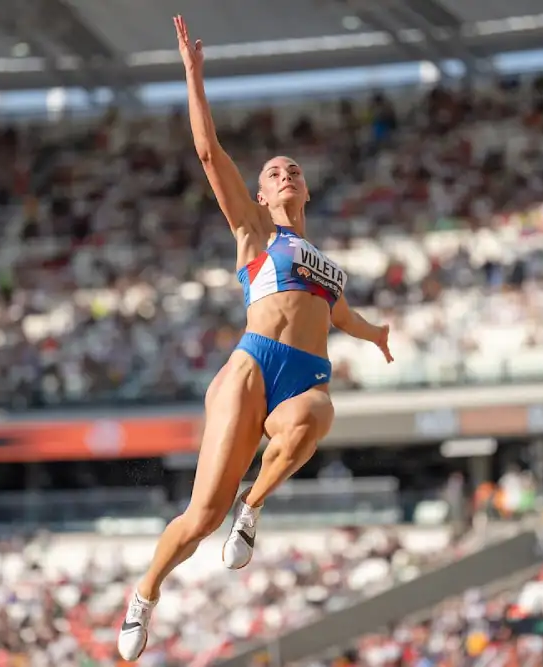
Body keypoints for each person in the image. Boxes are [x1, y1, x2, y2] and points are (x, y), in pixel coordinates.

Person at [117, 15, 394, 661]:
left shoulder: (324, 260)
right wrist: (193, 75)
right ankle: (146, 592)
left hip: (305, 374)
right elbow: (209, 152)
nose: (284, 171)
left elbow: (338, 315)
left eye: (292, 168)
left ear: (305, 188)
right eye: (273, 170)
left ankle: (254, 506)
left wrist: (375, 332)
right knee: (197, 518)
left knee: (316, 417)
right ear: (264, 193)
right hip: (253, 364)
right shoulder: (253, 232)